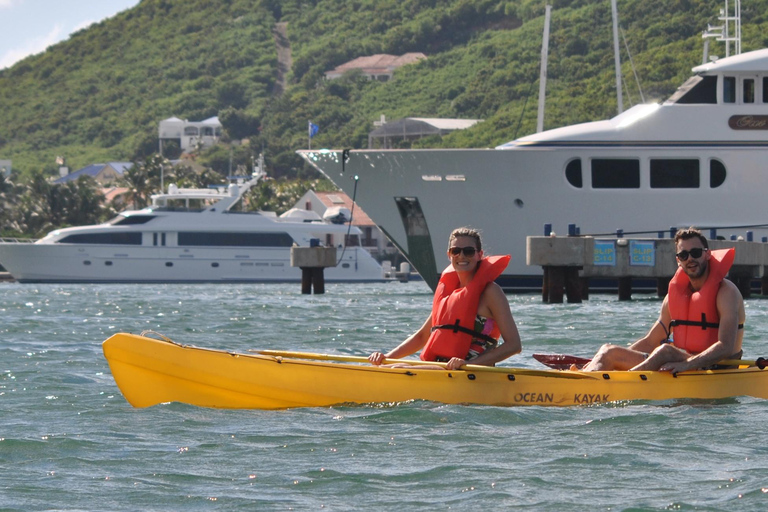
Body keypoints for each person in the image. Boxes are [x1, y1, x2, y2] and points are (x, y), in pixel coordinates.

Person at [580, 227, 745, 373]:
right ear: (678, 260)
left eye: (695, 253)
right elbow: (650, 341)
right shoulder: (673, 298)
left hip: (718, 368)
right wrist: (619, 360)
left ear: (707, 254)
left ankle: (623, 382)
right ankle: (586, 379)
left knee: (665, 351)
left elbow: (726, 347)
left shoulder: (726, 293)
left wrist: (687, 364)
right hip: (682, 363)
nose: (690, 259)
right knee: (609, 351)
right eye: (684, 255)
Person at [368, 227, 522, 370]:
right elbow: (422, 336)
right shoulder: (449, 292)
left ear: (479, 255)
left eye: (468, 251)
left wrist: (468, 364)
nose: (461, 256)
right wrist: (387, 357)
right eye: (456, 251)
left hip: (471, 371)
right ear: (449, 255)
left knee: (400, 369)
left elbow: (514, 345)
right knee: (388, 367)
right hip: (440, 368)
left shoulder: (491, 292)